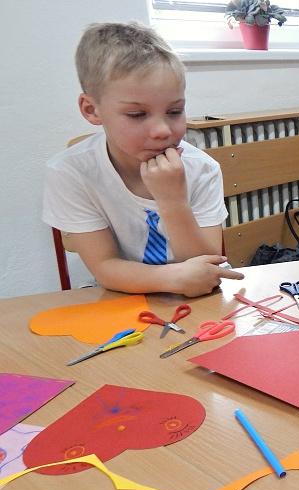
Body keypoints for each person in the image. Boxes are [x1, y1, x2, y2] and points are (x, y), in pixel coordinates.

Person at [43, 22, 243, 296]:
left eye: (174, 111)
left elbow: (206, 267)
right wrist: (171, 278)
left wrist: (173, 201)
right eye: (137, 115)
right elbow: (104, 266)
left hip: (198, 297)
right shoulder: (70, 172)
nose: (162, 130)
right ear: (91, 110)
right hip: (121, 295)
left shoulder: (202, 169)